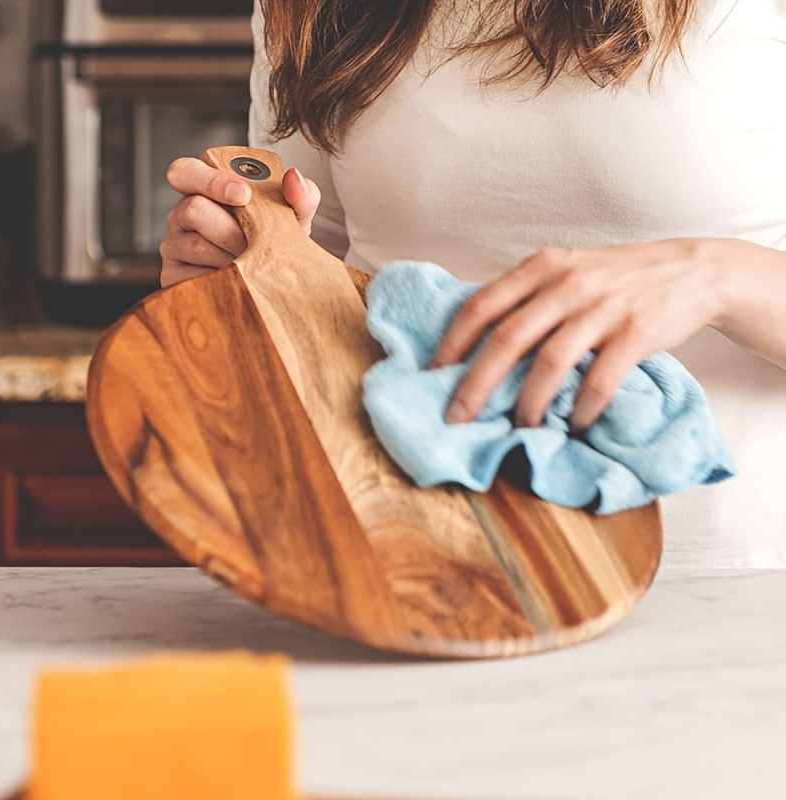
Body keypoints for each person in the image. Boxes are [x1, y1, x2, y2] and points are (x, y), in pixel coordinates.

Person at [160, 0, 786, 569]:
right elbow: (310, 277)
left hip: (726, 574)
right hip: (398, 558)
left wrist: (718, 276)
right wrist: (236, 277)